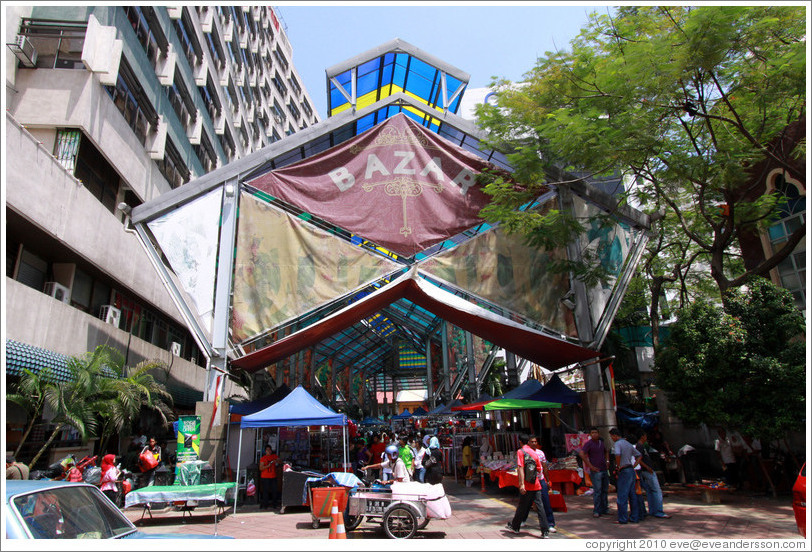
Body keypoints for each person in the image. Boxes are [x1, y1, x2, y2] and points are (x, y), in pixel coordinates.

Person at [504, 434, 550, 538]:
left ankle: (515, 527)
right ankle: (545, 531)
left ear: (520, 442)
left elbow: (520, 468)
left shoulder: (521, 452)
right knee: (540, 506)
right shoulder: (534, 453)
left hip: (527, 484)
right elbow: (539, 469)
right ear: (529, 442)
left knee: (522, 506)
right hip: (536, 484)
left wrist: (521, 484)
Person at [635, 431, 671, 519]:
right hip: (647, 471)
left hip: (646, 470)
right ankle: (658, 511)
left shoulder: (642, 446)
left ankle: (653, 510)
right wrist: (647, 467)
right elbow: (638, 458)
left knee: (650, 491)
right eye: (645, 436)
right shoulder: (639, 446)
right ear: (642, 436)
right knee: (656, 490)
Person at [609, 428, 641, 524]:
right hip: (630, 469)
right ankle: (634, 517)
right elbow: (639, 455)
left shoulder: (618, 444)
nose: (611, 438)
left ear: (615, 435)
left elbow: (617, 454)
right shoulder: (628, 444)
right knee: (632, 495)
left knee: (622, 496)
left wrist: (618, 466)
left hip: (624, 471)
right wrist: (634, 465)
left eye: (611, 436)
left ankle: (622, 518)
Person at [579, 427, 610, 518]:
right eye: (592, 433)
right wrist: (590, 466)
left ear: (598, 433)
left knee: (604, 490)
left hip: (603, 468)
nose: (594, 434)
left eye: (596, 432)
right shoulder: (588, 444)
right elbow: (582, 454)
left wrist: (607, 461)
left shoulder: (601, 443)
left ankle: (605, 508)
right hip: (596, 470)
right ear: (590, 434)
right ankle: (597, 510)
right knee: (597, 491)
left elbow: (606, 451)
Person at [258, 444, 280, 510]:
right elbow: (261, 468)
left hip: (273, 476)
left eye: (270, 450)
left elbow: (279, 460)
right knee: (265, 491)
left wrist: (276, 461)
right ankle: (265, 505)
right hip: (265, 477)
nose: (269, 451)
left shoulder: (274, 456)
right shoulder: (263, 458)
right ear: (265, 451)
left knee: (274, 491)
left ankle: (274, 504)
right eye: (267, 450)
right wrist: (268, 466)